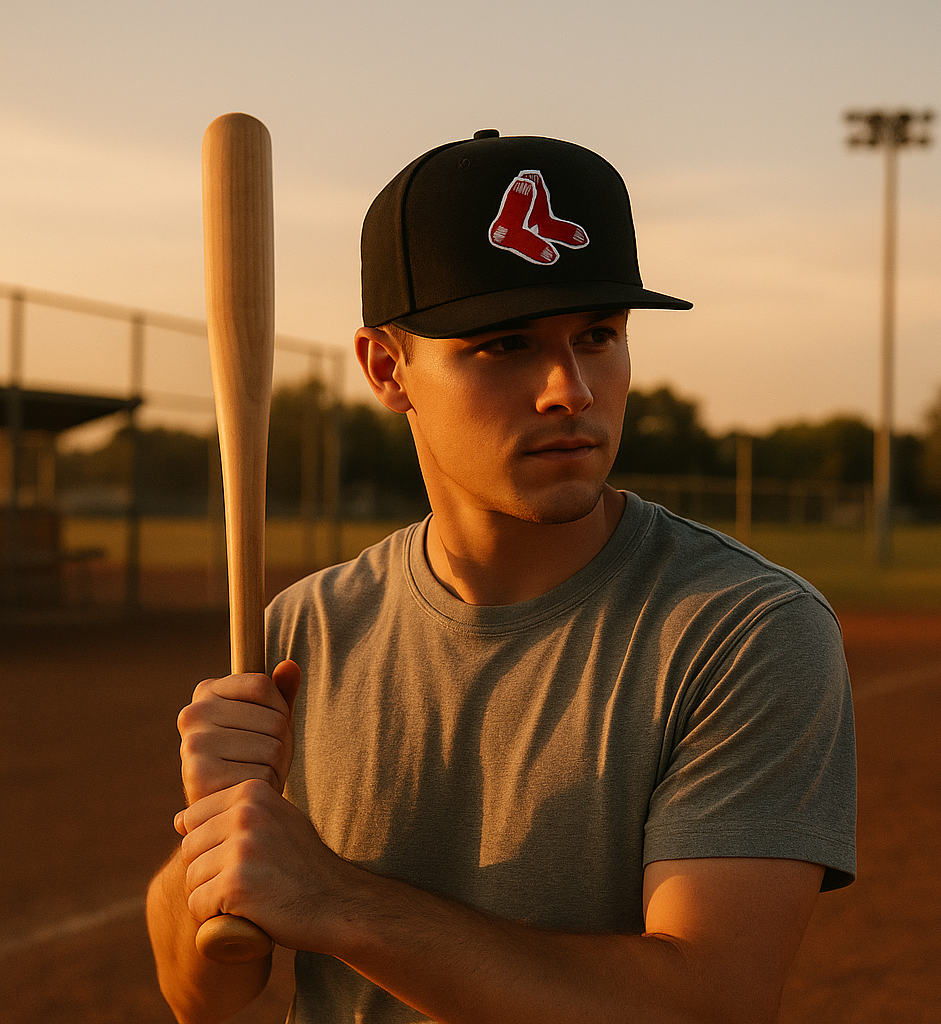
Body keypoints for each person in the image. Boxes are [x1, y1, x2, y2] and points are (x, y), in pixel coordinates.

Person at [147, 129, 856, 1024]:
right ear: (385, 367)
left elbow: (708, 1002)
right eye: (505, 344)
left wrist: (337, 900)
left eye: (599, 334)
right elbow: (199, 994)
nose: (571, 388)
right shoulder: (305, 629)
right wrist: (217, 834)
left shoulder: (740, 628)